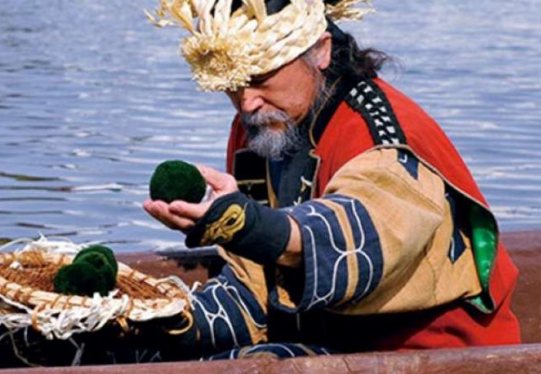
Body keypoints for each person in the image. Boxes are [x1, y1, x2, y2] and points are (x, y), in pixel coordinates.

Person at [143, 0, 520, 359]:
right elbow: (257, 286)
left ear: (321, 50)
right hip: (334, 348)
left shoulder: (381, 136)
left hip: (439, 358)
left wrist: (243, 224)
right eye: (233, 83)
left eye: (260, 76)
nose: (246, 102)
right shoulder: (259, 132)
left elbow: (358, 242)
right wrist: (166, 318)